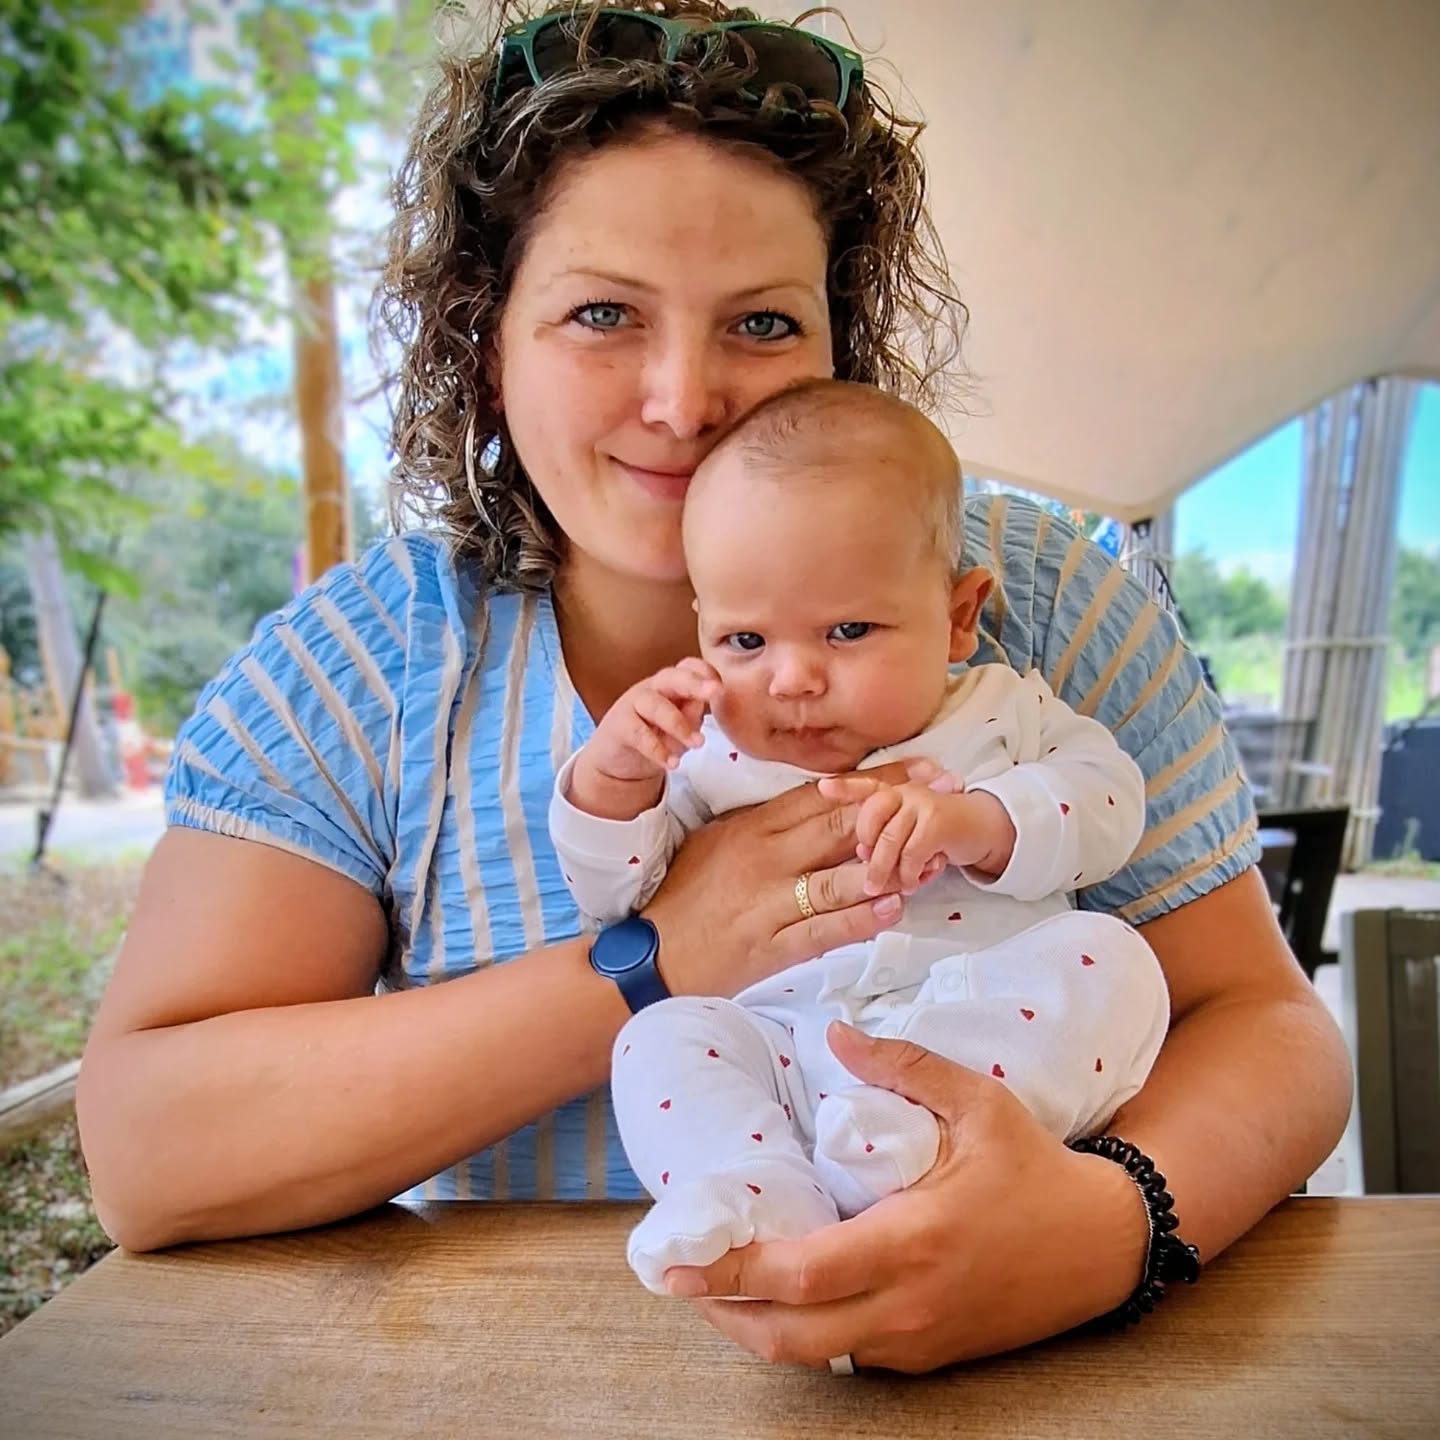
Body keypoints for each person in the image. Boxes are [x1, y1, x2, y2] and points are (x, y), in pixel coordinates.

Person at [76, 1, 1351, 1374]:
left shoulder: (1042, 600)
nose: (684, 401)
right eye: (602, 313)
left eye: (760, 320)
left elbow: (1272, 1029)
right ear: (482, 337)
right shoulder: (363, 669)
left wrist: (1107, 1236)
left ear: (840, 338)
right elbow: (153, 1155)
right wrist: (654, 962)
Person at [550, 380, 1171, 1291]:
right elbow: (616, 899)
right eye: (746, 640)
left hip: (978, 1049)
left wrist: (981, 822)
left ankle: (923, 1131)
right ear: (701, 629)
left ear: (959, 617)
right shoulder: (708, 754)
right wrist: (616, 779)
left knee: (1114, 961)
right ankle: (759, 1189)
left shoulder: (1003, 714)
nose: (792, 677)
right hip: (788, 1059)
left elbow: (1110, 805)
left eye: (848, 630)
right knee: (660, 1036)